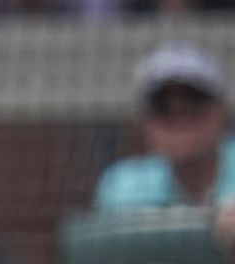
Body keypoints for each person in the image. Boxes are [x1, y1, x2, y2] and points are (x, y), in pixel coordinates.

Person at [94, 41, 235, 211]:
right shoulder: (122, 185)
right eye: (162, 107)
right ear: (144, 124)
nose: (180, 118)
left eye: (195, 101)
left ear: (222, 113)